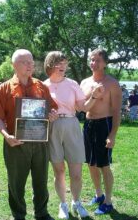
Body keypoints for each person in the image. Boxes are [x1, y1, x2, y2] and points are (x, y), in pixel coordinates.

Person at [0, 49, 57, 220]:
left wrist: (52, 116)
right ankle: (18, 215)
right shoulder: (4, 88)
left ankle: (42, 213)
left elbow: (52, 108)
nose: (30, 65)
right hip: (15, 143)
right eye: (25, 62)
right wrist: (6, 136)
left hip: (40, 142)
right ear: (14, 65)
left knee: (41, 181)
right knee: (16, 183)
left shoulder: (41, 86)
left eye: (31, 62)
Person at [43, 51, 104, 219]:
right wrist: (46, 115)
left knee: (76, 171)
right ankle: (63, 204)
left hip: (71, 124)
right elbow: (38, 111)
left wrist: (94, 96)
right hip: (52, 127)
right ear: (50, 65)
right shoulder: (42, 85)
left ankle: (76, 202)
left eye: (65, 63)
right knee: (59, 170)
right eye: (59, 63)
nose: (63, 66)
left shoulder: (72, 84)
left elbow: (83, 108)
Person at [80, 48, 122, 215]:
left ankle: (108, 201)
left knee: (104, 165)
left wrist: (112, 134)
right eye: (92, 59)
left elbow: (117, 111)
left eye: (97, 60)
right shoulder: (84, 82)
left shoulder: (112, 83)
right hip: (88, 125)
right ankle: (98, 194)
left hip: (104, 124)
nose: (93, 63)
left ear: (104, 63)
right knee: (90, 163)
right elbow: (81, 107)